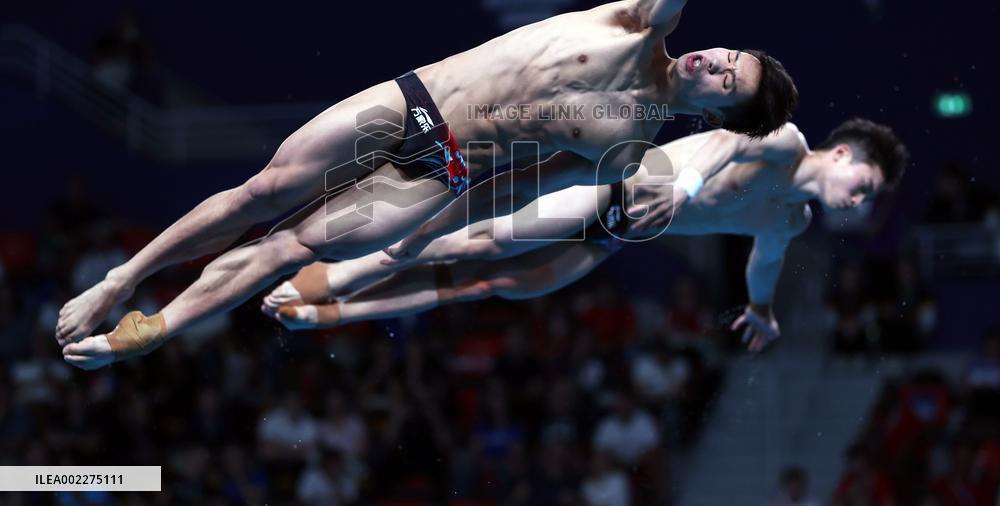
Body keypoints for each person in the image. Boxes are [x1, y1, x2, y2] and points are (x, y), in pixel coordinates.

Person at [59, 0, 798, 369]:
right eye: (727, 51)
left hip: (441, 171)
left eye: (729, 78)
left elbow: (520, 195)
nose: (715, 61)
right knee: (263, 192)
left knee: (286, 248)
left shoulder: (629, 149)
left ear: (722, 112)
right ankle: (122, 280)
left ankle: (159, 327)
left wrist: (427, 242)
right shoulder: (640, 25)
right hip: (409, 102)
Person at [263, 118, 907, 353]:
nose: (859, 202)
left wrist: (762, 310)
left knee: (497, 278)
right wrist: (678, 191)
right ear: (845, 153)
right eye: (866, 185)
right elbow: (719, 141)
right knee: (476, 241)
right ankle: (330, 269)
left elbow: (764, 264)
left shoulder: (789, 220)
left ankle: (334, 307)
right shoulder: (786, 142)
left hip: (615, 235)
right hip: (622, 183)